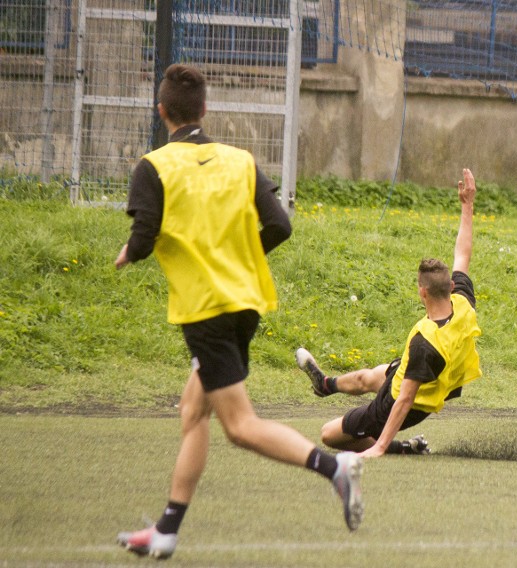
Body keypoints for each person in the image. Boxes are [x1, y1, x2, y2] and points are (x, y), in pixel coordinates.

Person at [114, 64, 364, 560]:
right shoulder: (240, 160)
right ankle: (167, 529)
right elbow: (279, 226)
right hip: (245, 302)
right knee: (193, 411)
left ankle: (335, 469)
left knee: (240, 426)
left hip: (206, 312)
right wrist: (236, 256)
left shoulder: (154, 167)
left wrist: (129, 252)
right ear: (205, 110)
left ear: (161, 111)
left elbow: (142, 241)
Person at [295, 168, 481, 458]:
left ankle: (402, 447)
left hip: (408, 400)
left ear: (422, 292)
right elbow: (463, 254)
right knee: (368, 378)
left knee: (329, 435)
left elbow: (405, 399)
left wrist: (380, 447)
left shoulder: (425, 342)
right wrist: (467, 206)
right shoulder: (463, 303)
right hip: (419, 376)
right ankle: (325, 384)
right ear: (452, 286)